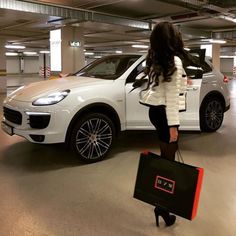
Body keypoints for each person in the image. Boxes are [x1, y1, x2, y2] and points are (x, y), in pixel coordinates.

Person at [138, 22, 187, 227]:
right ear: (172, 38)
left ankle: (160, 203)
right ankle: (162, 207)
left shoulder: (156, 58)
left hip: (155, 112)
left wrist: (183, 79)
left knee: (165, 160)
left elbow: (160, 86)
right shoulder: (174, 60)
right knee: (169, 163)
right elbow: (172, 98)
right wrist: (174, 127)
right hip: (167, 114)